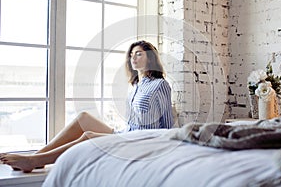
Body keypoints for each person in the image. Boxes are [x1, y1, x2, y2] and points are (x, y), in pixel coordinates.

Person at [0, 40, 174, 173]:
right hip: (126, 134)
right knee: (84, 117)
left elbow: (167, 125)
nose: (133, 58)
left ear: (150, 57)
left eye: (138, 54)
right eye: (131, 55)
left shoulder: (160, 85)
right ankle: (38, 155)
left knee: (89, 135)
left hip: (141, 141)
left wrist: (161, 152)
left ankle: (33, 162)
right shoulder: (136, 86)